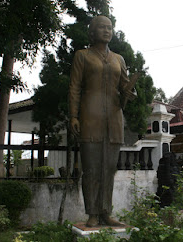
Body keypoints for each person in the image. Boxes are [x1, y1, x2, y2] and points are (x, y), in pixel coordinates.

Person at [69, 15, 136, 227]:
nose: (107, 31)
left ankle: (106, 211)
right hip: (90, 117)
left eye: (110, 27)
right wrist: (73, 116)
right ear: (93, 31)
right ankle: (92, 213)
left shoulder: (119, 59)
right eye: (102, 27)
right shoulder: (82, 56)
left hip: (114, 119)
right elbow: (74, 88)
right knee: (91, 169)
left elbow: (125, 87)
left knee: (109, 168)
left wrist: (130, 91)